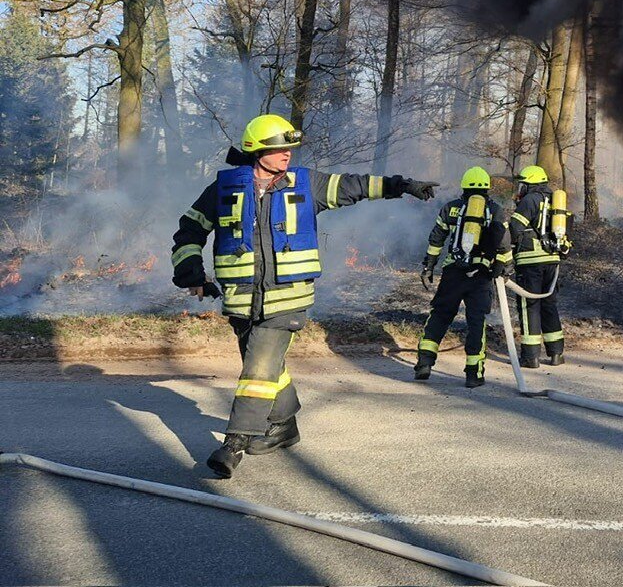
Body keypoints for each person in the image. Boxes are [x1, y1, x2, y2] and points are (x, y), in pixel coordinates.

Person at [170, 113, 436, 478]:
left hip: (288, 299)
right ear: (257, 150)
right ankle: (284, 426)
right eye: (279, 149)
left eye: (290, 149)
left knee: (257, 369)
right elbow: (189, 229)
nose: (287, 155)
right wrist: (191, 272)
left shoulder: (306, 184)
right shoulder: (224, 188)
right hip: (241, 300)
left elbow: (355, 185)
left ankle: (235, 443)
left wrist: (401, 185)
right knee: (267, 367)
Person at [414, 166, 512, 388]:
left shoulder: (451, 208)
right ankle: (473, 374)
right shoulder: (495, 210)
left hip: (453, 272)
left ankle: (424, 362)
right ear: (487, 188)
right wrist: (505, 268)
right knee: (476, 322)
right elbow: (504, 244)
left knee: (440, 315)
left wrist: (428, 266)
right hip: (481, 275)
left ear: (464, 187)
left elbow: (436, 239)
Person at [509, 165, 567, 368]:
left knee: (529, 306)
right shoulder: (555, 200)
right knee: (549, 304)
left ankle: (531, 356)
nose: (521, 188)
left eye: (523, 184)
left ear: (530, 184)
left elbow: (515, 228)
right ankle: (556, 353)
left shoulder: (530, 200)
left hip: (530, 261)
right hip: (552, 260)